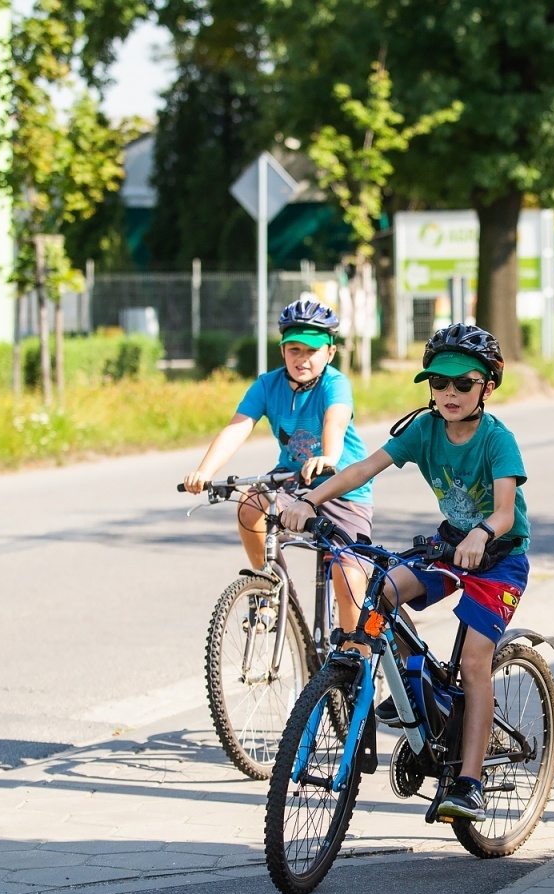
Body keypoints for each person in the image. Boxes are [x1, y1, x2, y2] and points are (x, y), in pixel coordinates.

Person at [280, 324, 529, 822]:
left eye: (463, 384)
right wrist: (309, 499)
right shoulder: (424, 429)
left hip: (499, 558)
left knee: (477, 661)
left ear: (488, 386)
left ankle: (470, 782)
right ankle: (418, 693)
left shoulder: (497, 440)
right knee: (381, 593)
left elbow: (504, 511)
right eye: (439, 383)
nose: (449, 393)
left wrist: (482, 533)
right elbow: (361, 469)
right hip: (449, 547)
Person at [183, 298, 372, 632]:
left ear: (329, 352)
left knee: (349, 579)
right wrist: (205, 471)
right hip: (293, 481)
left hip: (341, 487)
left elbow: (335, 420)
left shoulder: (335, 383)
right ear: (282, 350)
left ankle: (352, 660)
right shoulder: (267, 385)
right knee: (251, 503)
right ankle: (271, 592)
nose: (302, 359)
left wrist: (328, 456)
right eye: (294, 349)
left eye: (312, 351)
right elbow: (237, 426)